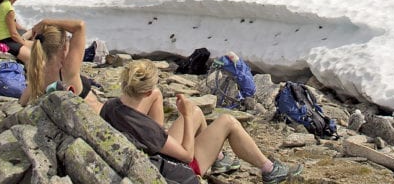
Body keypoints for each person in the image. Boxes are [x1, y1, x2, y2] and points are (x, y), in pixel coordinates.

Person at [101, 59, 303, 183]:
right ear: (144, 92)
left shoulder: (110, 107)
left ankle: (218, 158)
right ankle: (270, 170)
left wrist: (188, 114)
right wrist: (186, 117)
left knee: (197, 111)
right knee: (227, 121)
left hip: (152, 155)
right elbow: (187, 156)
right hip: (179, 173)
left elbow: (153, 121)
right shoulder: (144, 128)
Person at [19, 18, 102, 113]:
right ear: (64, 47)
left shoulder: (38, 69)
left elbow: (22, 102)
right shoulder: (67, 70)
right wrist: (46, 21)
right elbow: (80, 26)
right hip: (99, 119)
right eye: (68, 39)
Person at [0, 0, 33, 64]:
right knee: (33, 59)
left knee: (35, 46)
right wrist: (24, 43)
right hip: (7, 41)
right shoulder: (8, 9)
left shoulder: (4, 5)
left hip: (5, 40)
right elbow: (14, 34)